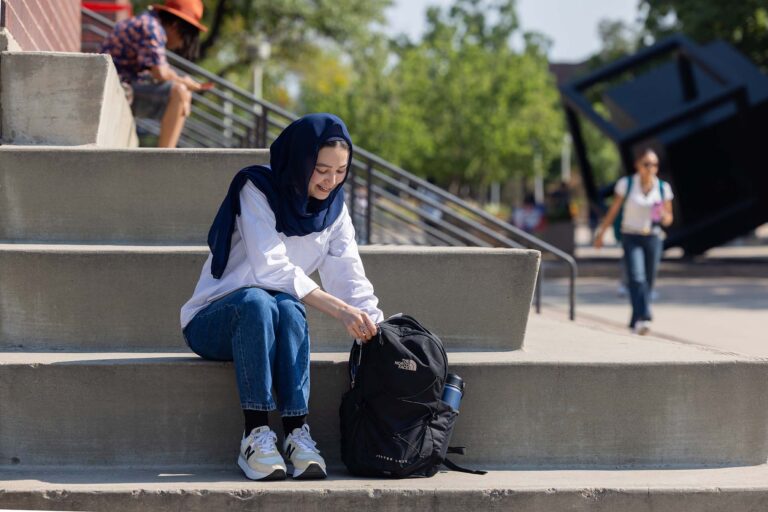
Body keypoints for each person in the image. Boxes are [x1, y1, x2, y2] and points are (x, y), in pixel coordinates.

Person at [180, 113, 383, 481]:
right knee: (259, 299)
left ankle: (295, 434)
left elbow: (349, 275)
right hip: (215, 320)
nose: (330, 181)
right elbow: (269, 267)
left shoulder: (335, 211)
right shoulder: (256, 188)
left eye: (340, 171)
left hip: (276, 317)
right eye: (321, 169)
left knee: (287, 306)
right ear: (300, 159)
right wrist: (338, 310)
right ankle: (254, 434)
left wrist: (375, 324)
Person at [101, 0, 209, 148]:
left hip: (119, 85)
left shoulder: (148, 22)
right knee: (180, 92)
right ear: (175, 26)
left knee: (181, 93)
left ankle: (166, 153)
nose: (180, 45)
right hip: (115, 89)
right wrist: (184, 82)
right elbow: (160, 73)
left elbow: (159, 71)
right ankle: (165, 158)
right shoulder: (151, 28)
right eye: (185, 37)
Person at [593, 148, 674, 335]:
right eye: (647, 164)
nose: (651, 168)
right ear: (637, 165)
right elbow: (613, 211)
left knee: (649, 280)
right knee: (637, 278)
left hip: (653, 237)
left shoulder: (663, 188)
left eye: (654, 164)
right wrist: (601, 234)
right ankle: (645, 316)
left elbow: (669, 219)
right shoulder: (626, 184)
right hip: (631, 237)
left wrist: (664, 216)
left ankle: (634, 321)